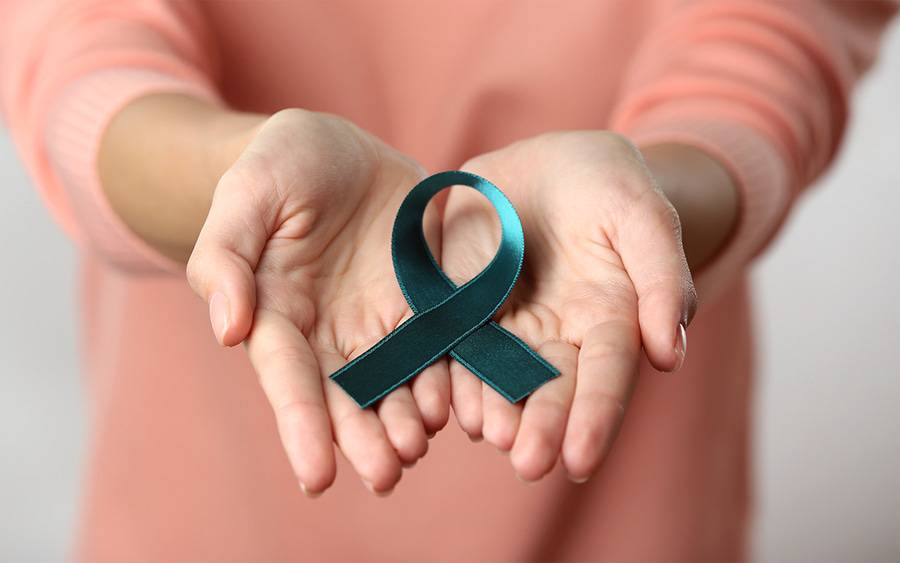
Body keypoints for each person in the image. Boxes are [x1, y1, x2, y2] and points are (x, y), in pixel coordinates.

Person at [1, 1, 894, 561]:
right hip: (207, 500)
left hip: (619, 489)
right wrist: (239, 182)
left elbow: (765, 33)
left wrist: (646, 207)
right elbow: (75, 37)